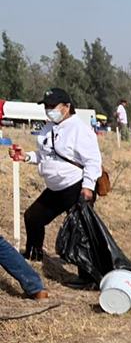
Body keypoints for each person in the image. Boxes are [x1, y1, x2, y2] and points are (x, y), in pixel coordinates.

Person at [8, 88, 102, 270]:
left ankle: (88, 275)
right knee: (33, 217)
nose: (49, 110)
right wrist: (26, 156)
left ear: (66, 107)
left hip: (76, 187)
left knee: (81, 232)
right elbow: (46, 156)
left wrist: (88, 187)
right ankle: (34, 256)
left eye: (53, 106)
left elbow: (93, 161)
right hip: (55, 189)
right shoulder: (47, 128)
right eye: (46, 106)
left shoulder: (80, 129)